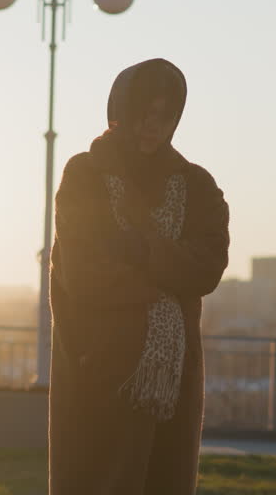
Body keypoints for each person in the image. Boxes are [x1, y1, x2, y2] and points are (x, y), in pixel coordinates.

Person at [48, 58, 230, 495]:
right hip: (97, 370)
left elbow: (207, 268)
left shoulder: (198, 186)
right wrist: (167, 276)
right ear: (121, 110)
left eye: (164, 116)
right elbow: (84, 274)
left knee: (163, 481)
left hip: (172, 381)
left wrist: (139, 247)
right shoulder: (84, 176)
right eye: (144, 113)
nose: (154, 125)